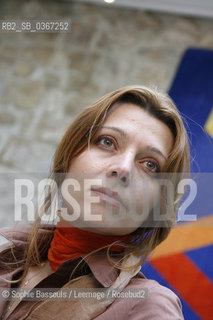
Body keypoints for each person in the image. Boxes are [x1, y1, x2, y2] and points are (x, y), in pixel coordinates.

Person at [0, 85, 190, 319]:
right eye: (107, 142)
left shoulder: (150, 307)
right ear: (69, 157)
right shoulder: (7, 256)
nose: (123, 169)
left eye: (150, 165)